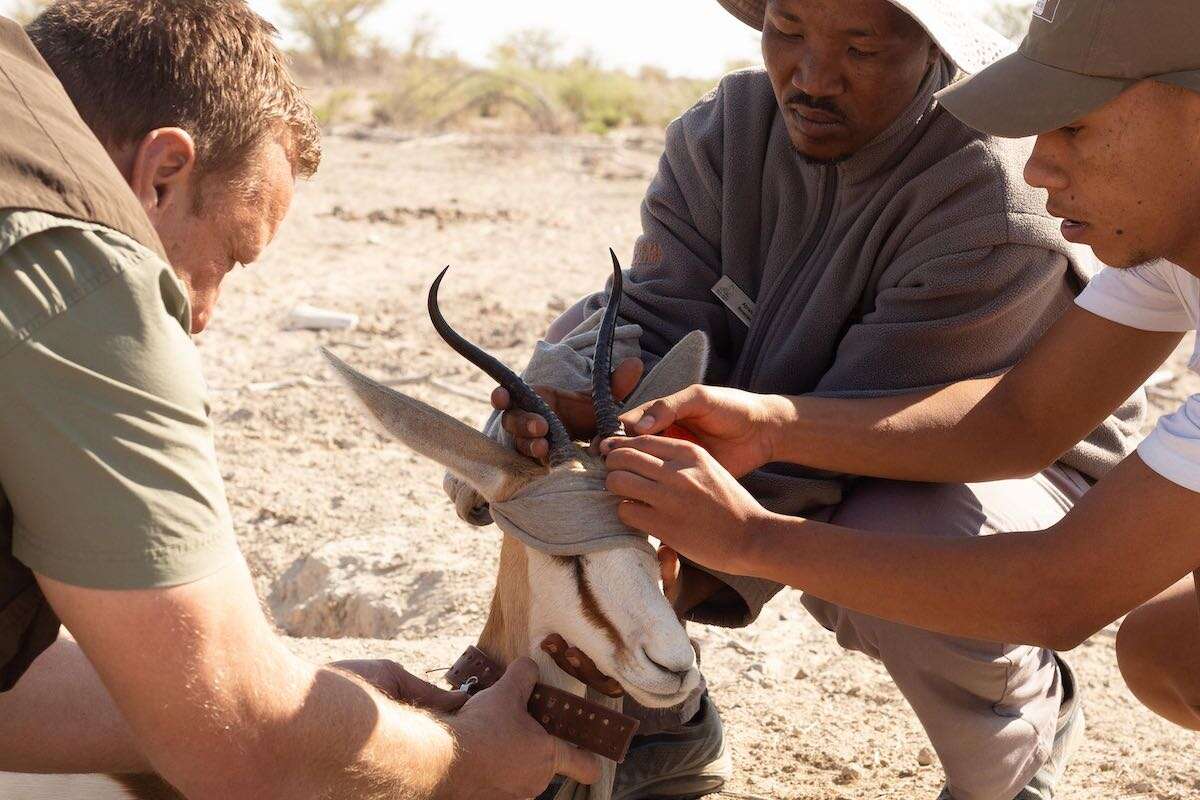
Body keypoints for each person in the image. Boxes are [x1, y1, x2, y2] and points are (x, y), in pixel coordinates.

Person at [471, 1, 1144, 797]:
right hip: (772, 424)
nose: (813, 76)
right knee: (577, 408)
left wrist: (682, 568)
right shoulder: (724, 129)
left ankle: (1011, 740)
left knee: (901, 527)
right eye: (788, 29)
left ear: (934, 48)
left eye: (860, 45)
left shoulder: (993, 196)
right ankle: (660, 731)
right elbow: (656, 312)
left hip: (983, 466)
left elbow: (883, 425)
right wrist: (582, 404)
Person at [0, 2, 598, 797]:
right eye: (225, 260)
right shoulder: (78, 265)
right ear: (162, 176)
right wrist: (466, 760)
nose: (202, 316)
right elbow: (242, 739)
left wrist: (307, 697)